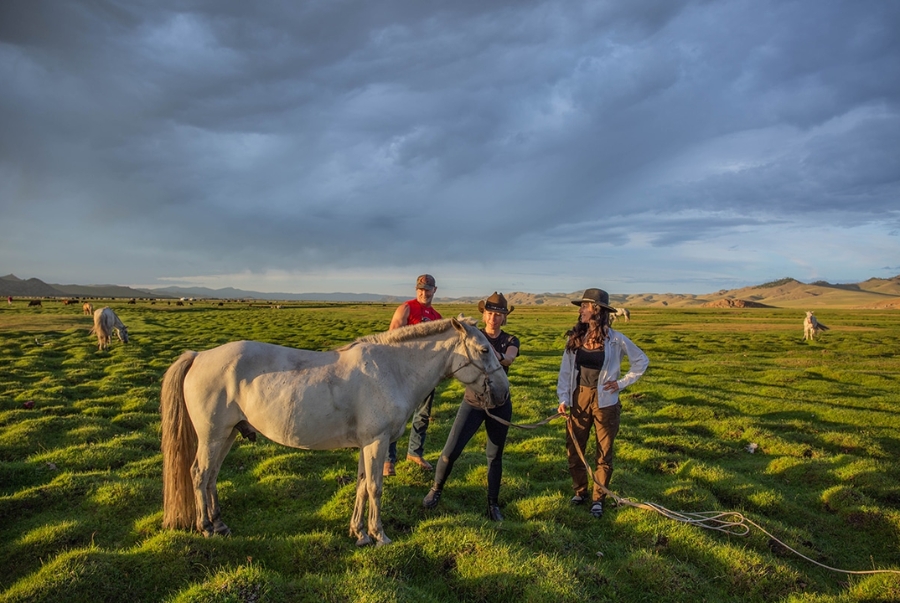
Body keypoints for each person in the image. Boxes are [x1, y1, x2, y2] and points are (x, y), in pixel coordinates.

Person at [423, 292, 519, 521]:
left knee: (494, 456)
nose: (494, 318)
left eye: (499, 315)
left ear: (504, 318)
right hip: (473, 402)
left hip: (499, 404)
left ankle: (492, 504)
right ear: (484, 315)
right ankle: (436, 489)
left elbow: (508, 359)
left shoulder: (510, 340)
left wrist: (489, 351)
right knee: (450, 450)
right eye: (490, 313)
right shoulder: (475, 337)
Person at [556, 287, 648, 518]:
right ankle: (580, 491)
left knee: (603, 451)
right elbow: (565, 372)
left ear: (597, 311)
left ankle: (599, 497)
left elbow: (641, 361)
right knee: (574, 446)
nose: (581, 311)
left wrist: (621, 383)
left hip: (606, 401)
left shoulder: (616, 339)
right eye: (582, 307)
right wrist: (564, 399)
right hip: (579, 398)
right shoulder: (576, 337)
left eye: (585, 307)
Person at [384, 274, 443, 476]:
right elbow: (392, 336)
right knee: (395, 414)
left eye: (427, 289)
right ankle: (388, 459)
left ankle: (414, 453)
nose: (423, 292)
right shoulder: (406, 308)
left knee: (422, 414)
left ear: (435, 290)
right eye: (420, 289)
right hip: (402, 371)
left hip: (425, 374)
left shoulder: (436, 317)